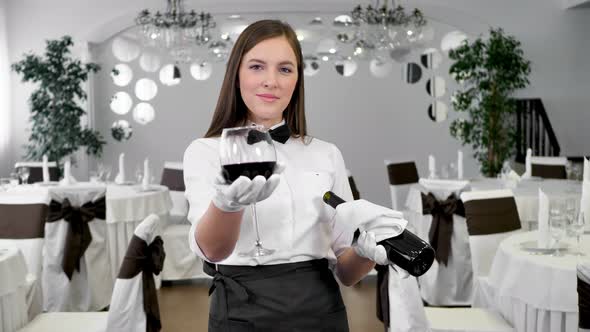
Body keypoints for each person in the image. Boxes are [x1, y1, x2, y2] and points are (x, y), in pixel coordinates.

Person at [184, 19, 389, 331]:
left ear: (297, 80)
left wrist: (364, 253)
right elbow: (213, 250)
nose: (271, 81)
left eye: (284, 69)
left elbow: (347, 274)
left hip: (322, 314)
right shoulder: (205, 152)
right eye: (256, 67)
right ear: (236, 74)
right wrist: (227, 206)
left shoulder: (327, 154)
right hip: (241, 312)